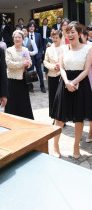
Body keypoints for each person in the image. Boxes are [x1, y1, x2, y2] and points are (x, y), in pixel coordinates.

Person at [52, 21, 92, 159]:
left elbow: (86, 70)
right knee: (59, 117)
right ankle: (55, 146)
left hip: (81, 83)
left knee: (79, 117)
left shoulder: (88, 49)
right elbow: (62, 67)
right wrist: (67, 82)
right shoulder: (63, 48)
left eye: (73, 32)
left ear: (80, 33)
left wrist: (73, 83)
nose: (70, 34)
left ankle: (76, 146)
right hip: (64, 82)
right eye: (68, 32)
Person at [5, 30, 33, 119]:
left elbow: (30, 62)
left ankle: (25, 119)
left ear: (22, 39)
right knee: (12, 101)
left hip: (23, 79)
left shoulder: (25, 50)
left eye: (19, 37)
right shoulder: (9, 50)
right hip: (12, 79)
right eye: (15, 37)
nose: (17, 39)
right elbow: (9, 64)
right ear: (13, 39)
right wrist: (22, 63)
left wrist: (28, 63)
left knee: (23, 100)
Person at [43, 30, 62, 118]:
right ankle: (54, 116)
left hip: (62, 75)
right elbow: (45, 62)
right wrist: (53, 67)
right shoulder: (49, 49)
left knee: (61, 97)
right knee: (52, 96)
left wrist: (60, 66)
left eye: (56, 38)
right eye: (53, 38)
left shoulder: (65, 48)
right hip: (52, 75)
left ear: (60, 38)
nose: (54, 39)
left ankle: (62, 116)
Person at [27, 22, 45, 93]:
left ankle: (42, 86)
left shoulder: (38, 35)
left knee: (39, 72)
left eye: (33, 26)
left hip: (37, 57)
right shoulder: (26, 35)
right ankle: (30, 87)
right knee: (30, 72)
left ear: (34, 28)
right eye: (30, 26)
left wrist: (40, 54)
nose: (31, 27)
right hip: (29, 57)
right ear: (28, 28)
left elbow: (40, 46)